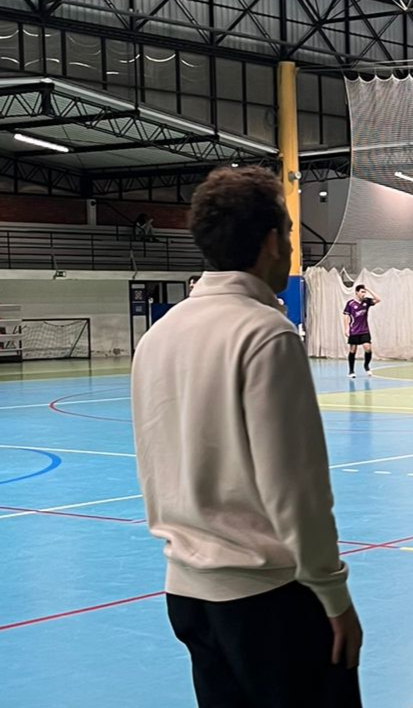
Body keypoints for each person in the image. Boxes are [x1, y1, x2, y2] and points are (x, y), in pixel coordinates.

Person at [130, 166, 363, 707]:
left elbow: (152, 464)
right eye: (288, 233)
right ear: (269, 242)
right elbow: (296, 489)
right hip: (270, 601)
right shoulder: (265, 335)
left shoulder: (159, 335)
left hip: (187, 598)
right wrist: (333, 594)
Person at [343, 285, 379, 378]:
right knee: (352, 350)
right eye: (362, 292)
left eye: (364, 292)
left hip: (364, 330)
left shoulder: (366, 302)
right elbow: (346, 316)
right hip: (354, 330)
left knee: (368, 348)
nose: (364, 294)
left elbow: (378, 299)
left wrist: (369, 289)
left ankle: (366, 365)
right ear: (357, 292)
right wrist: (346, 328)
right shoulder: (350, 304)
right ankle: (351, 371)